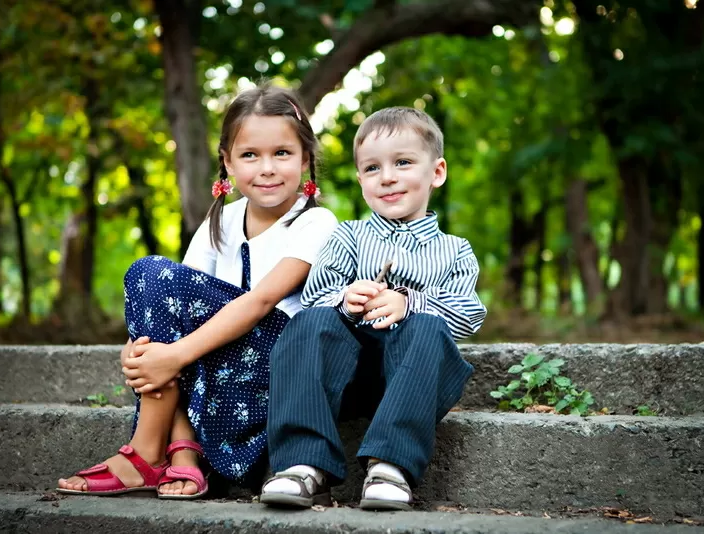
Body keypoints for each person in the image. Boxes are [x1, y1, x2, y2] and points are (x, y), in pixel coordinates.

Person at [57, 84, 337, 499]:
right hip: (211, 355)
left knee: (156, 277)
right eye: (249, 155)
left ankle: (147, 453)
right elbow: (168, 304)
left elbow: (260, 302)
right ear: (227, 161)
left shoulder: (317, 224)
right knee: (149, 273)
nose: (267, 168)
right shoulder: (221, 221)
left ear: (306, 158)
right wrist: (137, 347)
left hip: (272, 359)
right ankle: (181, 453)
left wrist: (172, 356)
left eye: (282, 153)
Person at [260, 106, 486, 511]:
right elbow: (313, 297)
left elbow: (469, 312)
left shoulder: (455, 251)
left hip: (411, 383)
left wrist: (410, 301)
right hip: (344, 380)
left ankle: (391, 467)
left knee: (429, 328)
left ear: (436, 172)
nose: (387, 177)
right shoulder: (348, 237)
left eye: (403, 162)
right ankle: (301, 464)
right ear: (361, 179)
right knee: (310, 321)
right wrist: (346, 301)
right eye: (372, 168)